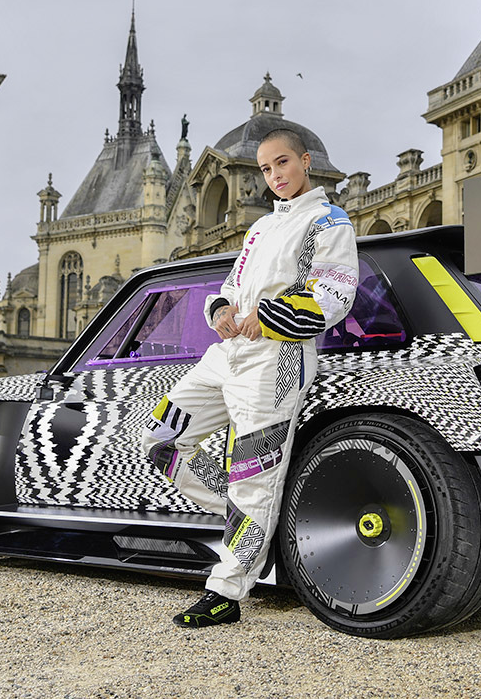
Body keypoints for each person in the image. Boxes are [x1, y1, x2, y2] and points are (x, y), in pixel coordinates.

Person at [140, 127, 358, 628]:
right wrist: (220, 311)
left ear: (305, 161)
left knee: (253, 480)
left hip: (278, 360)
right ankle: (254, 517)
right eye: (265, 168)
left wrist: (269, 317)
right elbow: (230, 286)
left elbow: (335, 296)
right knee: (161, 437)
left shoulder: (330, 221)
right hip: (227, 353)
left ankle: (226, 591)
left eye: (282, 163)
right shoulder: (259, 228)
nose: (274, 175)